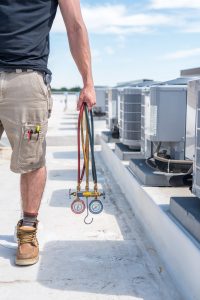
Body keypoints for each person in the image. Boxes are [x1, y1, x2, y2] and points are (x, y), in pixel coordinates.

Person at [0, 0, 96, 266]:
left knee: (31, 161)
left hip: (27, 78)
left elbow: (75, 27)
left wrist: (88, 82)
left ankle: (28, 230)